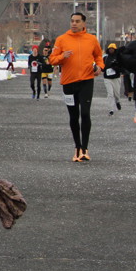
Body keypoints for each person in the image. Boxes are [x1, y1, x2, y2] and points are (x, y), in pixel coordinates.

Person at [48, 12, 104, 162]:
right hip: (68, 82)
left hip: (86, 81)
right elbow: (52, 59)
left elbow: (98, 56)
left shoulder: (91, 39)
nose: (74, 23)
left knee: (85, 113)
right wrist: (62, 56)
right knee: (74, 116)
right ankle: (77, 147)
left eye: (77, 21)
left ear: (83, 23)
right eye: (72, 21)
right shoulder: (61, 39)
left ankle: (85, 148)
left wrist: (100, 66)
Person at [102, 43, 125, 115]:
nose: (111, 50)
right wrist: (103, 68)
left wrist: (115, 67)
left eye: (112, 49)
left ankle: (117, 101)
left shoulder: (118, 57)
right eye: (110, 49)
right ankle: (111, 109)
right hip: (107, 78)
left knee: (117, 93)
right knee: (110, 94)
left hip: (116, 78)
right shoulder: (105, 58)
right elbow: (102, 67)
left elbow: (122, 68)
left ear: (115, 50)